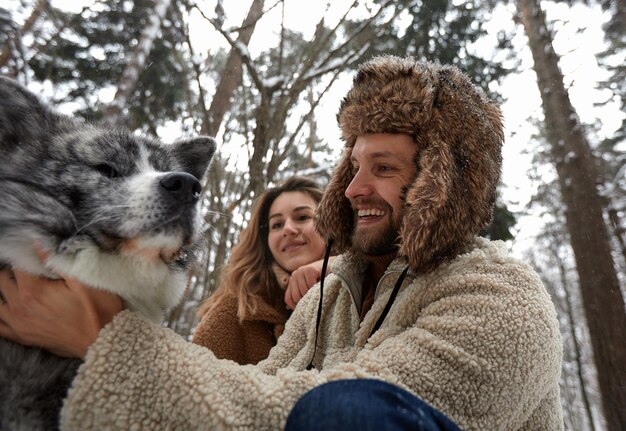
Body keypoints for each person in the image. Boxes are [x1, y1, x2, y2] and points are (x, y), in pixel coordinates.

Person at [0, 55, 564, 430]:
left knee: (348, 413)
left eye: (384, 168)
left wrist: (105, 341)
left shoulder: (502, 298)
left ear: (444, 181)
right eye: (353, 165)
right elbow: (247, 394)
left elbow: (300, 416)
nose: (353, 187)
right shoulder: (329, 300)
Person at [193, 176, 328, 364]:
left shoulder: (368, 281)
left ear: (332, 223)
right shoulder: (239, 310)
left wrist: (337, 268)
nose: (288, 229)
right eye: (277, 225)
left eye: (303, 217)